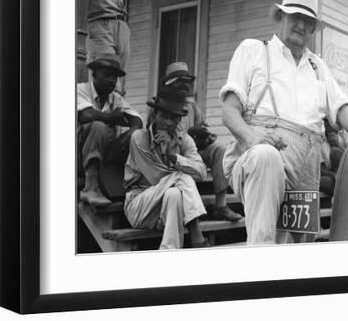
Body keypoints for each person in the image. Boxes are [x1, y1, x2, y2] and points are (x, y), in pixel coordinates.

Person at [220, 0, 348, 245]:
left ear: (312, 29)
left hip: (306, 167)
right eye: (295, 17)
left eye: (307, 22)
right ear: (281, 17)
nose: (301, 25)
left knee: (298, 247)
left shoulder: (317, 66)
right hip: (257, 153)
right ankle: (260, 270)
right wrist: (253, 139)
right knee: (267, 158)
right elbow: (229, 112)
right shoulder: (253, 50)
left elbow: (341, 105)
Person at [123, 87, 209, 249]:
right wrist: (179, 169)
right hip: (140, 206)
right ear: (155, 115)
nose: (169, 123)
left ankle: (169, 252)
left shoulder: (184, 140)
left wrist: (173, 156)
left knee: (174, 193)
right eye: (164, 116)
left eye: (174, 118)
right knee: (182, 178)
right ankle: (196, 232)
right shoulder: (140, 138)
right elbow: (156, 178)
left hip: (167, 211)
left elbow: (202, 172)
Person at [160, 62, 242, 222]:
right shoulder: (161, 105)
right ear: (170, 84)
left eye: (187, 82)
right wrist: (190, 133)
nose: (185, 85)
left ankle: (220, 206)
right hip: (170, 152)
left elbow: (201, 126)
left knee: (220, 149)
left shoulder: (190, 106)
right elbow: (160, 133)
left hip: (192, 151)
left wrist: (204, 135)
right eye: (180, 81)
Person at [77, 54, 143, 207]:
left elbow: (136, 118)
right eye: (106, 75)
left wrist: (133, 130)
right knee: (98, 126)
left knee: (138, 136)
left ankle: (133, 189)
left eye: (115, 77)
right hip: (77, 155)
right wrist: (113, 116)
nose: (112, 80)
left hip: (103, 156)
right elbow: (87, 115)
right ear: (94, 75)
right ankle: (91, 188)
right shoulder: (80, 89)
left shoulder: (115, 98)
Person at [77, 0, 130, 93]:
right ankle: (101, 112)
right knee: (106, 72)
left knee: (119, 78)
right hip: (100, 23)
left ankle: (116, 112)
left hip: (122, 24)